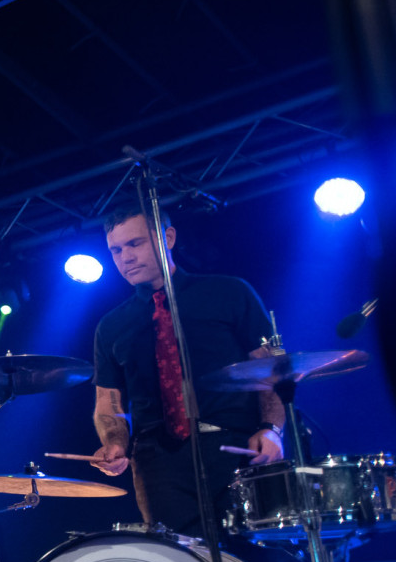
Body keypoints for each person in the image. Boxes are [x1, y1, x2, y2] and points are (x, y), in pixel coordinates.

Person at [89, 205, 286, 535]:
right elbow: (108, 404)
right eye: (116, 250)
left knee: (259, 560)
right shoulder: (111, 326)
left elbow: (270, 367)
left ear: (168, 237)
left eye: (134, 244)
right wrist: (114, 443)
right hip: (158, 463)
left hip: (236, 447)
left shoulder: (228, 293)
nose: (125, 257)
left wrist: (270, 428)